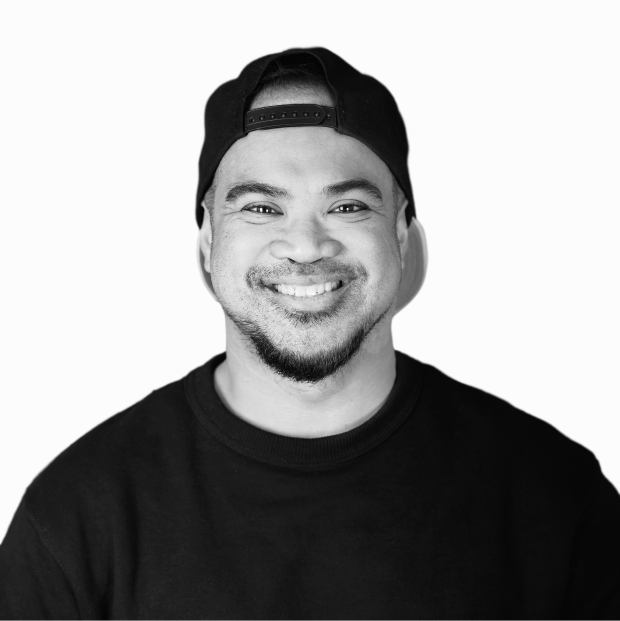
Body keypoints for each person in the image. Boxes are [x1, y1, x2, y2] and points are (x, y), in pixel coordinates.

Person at [1, 47, 618, 620]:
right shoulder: (78, 517)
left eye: (348, 207)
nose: (304, 246)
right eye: (260, 208)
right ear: (209, 242)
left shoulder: (556, 497)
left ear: (401, 236)